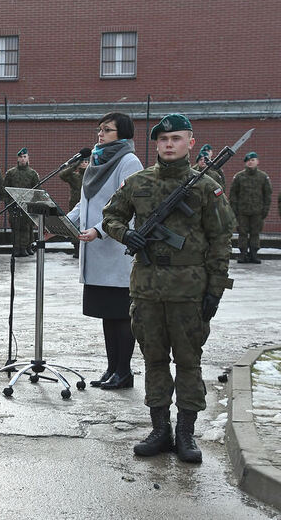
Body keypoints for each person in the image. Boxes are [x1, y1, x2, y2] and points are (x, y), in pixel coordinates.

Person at [102, 113, 235, 463]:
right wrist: (124, 232)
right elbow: (110, 216)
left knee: (189, 362)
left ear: (190, 142)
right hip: (146, 288)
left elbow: (221, 240)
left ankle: (186, 432)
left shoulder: (207, 187)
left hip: (190, 289)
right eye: (163, 140)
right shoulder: (137, 182)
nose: (170, 145)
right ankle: (159, 428)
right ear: (156, 144)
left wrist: (215, 289)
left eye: (177, 138)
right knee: (154, 360)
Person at [67, 112, 143, 390]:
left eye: (107, 130)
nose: (100, 134)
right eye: (100, 129)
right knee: (107, 315)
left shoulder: (128, 161)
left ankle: (124, 372)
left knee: (122, 315)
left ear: (122, 134)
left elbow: (130, 204)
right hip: (94, 251)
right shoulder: (97, 160)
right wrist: (62, 224)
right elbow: (84, 204)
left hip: (115, 249)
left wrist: (99, 230)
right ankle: (112, 368)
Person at [230, 151, 272, 263]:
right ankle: (242, 254)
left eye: (252, 160)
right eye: (248, 160)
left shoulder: (263, 177)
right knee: (242, 233)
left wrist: (265, 210)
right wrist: (234, 211)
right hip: (242, 212)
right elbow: (233, 195)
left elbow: (267, 195)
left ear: (257, 162)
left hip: (257, 212)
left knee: (255, 233)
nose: (250, 162)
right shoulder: (239, 177)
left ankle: (254, 254)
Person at [4, 148, 39, 256]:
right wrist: (8, 203)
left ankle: (24, 247)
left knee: (26, 227)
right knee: (15, 227)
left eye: (25, 157)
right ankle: (16, 247)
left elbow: (36, 191)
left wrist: (33, 205)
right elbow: (5, 189)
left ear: (28, 158)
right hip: (14, 205)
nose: (23, 159)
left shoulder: (32, 173)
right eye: (21, 157)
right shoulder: (11, 173)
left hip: (27, 205)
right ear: (17, 159)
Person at [59, 156, 89, 258]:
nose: (84, 163)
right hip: (75, 206)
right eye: (83, 162)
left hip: (88, 206)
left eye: (86, 161)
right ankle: (76, 249)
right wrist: (75, 165)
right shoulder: (75, 177)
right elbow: (62, 175)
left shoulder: (91, 176)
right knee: (75, 227)